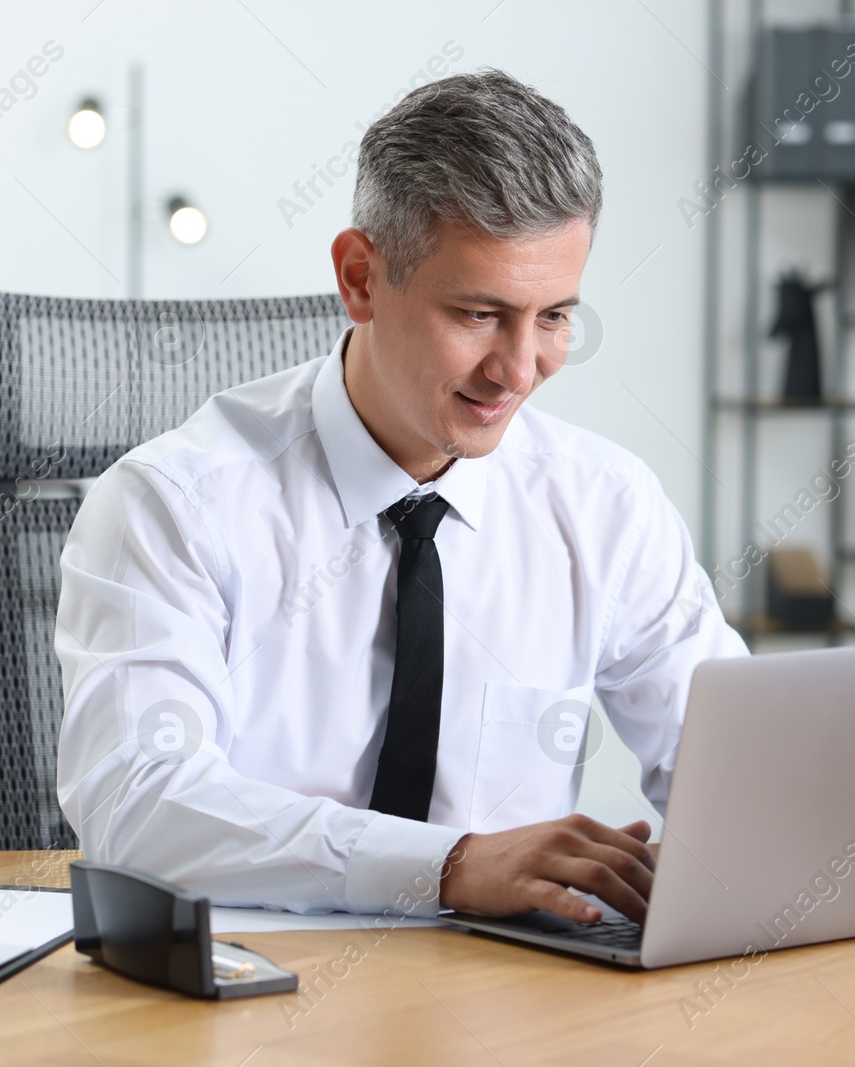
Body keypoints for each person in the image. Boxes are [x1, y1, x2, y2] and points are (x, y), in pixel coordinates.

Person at [55, 68, 747, 926]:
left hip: (507, 1009)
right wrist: (449, 865)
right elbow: (137, 805)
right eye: (478, 315)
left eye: (556, 317)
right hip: (257, 1002)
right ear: (360, 278)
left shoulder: (604, 504)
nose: (519, 370)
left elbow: (733, 766)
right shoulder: (172, 504)